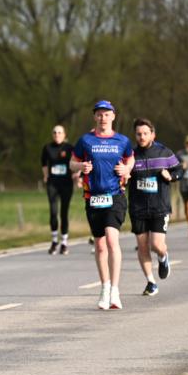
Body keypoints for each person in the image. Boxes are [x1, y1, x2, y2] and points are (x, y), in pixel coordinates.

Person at [69, 100, 135, 310]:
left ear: (113, 116)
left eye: (106, 114)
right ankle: (104, 288)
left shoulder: (122, 140)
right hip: (93, 197)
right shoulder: (85, 140)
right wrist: (80, 166)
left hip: (115, 195)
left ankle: (115, 290)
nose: (103, 118)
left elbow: (130, 159)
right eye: (99, 114)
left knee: (112, 239)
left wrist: (127, 170)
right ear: (95, 117)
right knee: (99, 245)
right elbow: (72, 162)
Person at [127, 118, 182, 296]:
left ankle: (163, 257)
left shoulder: (164, 152)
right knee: (142, 247)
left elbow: (179, 170)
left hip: (160, 206)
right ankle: (151, 282)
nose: (141, 137)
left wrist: (171, 177)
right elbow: (123, 174)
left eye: (145, 133)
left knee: (156, 245)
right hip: (138, 207)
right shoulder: (131, 156)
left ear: (152, 134)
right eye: (138, 134)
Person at [41, 124, 76, 254]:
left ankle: (65, 242)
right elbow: (44, 163)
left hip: (66, 183)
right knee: (53, 211)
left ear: (64, 134)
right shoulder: (47, 148)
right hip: (52, 184)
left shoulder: (69, 148)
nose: (57, 135)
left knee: (64, 212)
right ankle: (54, 240)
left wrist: (76, 174)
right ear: (52, 134)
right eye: (55, 132)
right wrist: (45, 175)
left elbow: (75, 162)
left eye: (60, 132)